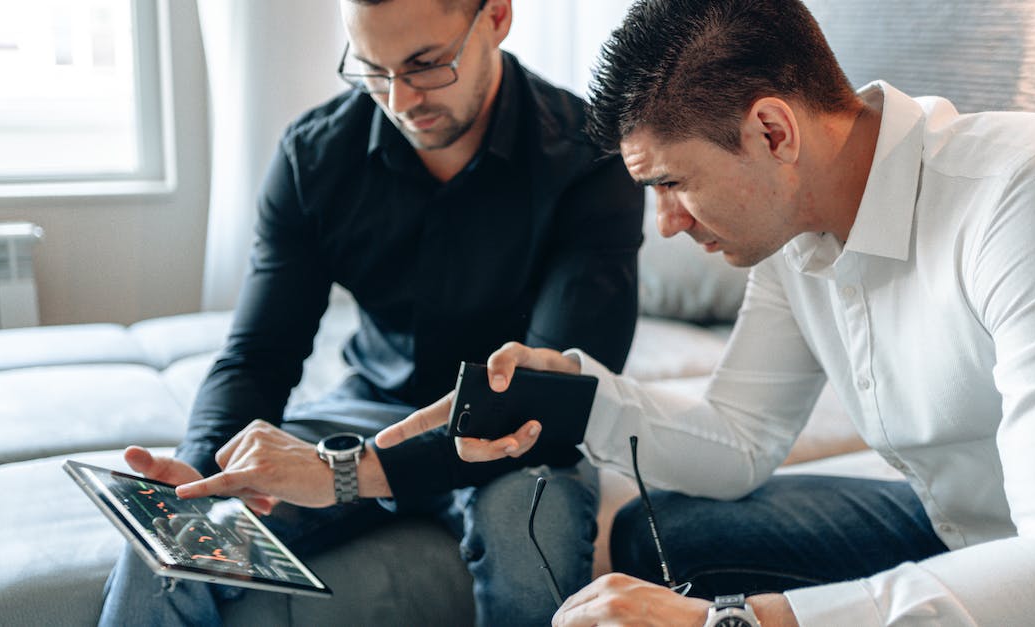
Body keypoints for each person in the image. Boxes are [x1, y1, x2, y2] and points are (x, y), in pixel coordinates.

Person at [376, 0, 1035, 624]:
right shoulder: (797, 235)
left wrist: (744, 620)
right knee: (657, 546)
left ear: (771, 129)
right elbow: (741, 440)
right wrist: (576, 394)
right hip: (959, 527)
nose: (668, 225)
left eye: (670, 183)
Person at [99, 0, 643, 625]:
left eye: (427, 64)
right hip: (366, 412)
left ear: (496, 16)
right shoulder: (316, 155)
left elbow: (548, 397)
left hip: (516, 440)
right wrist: (197, 470)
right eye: (372, 69)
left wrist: (349, 475)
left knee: (528, 545)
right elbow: (259, 355)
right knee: (165, 541)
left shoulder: (593, 157)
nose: (401, 98)